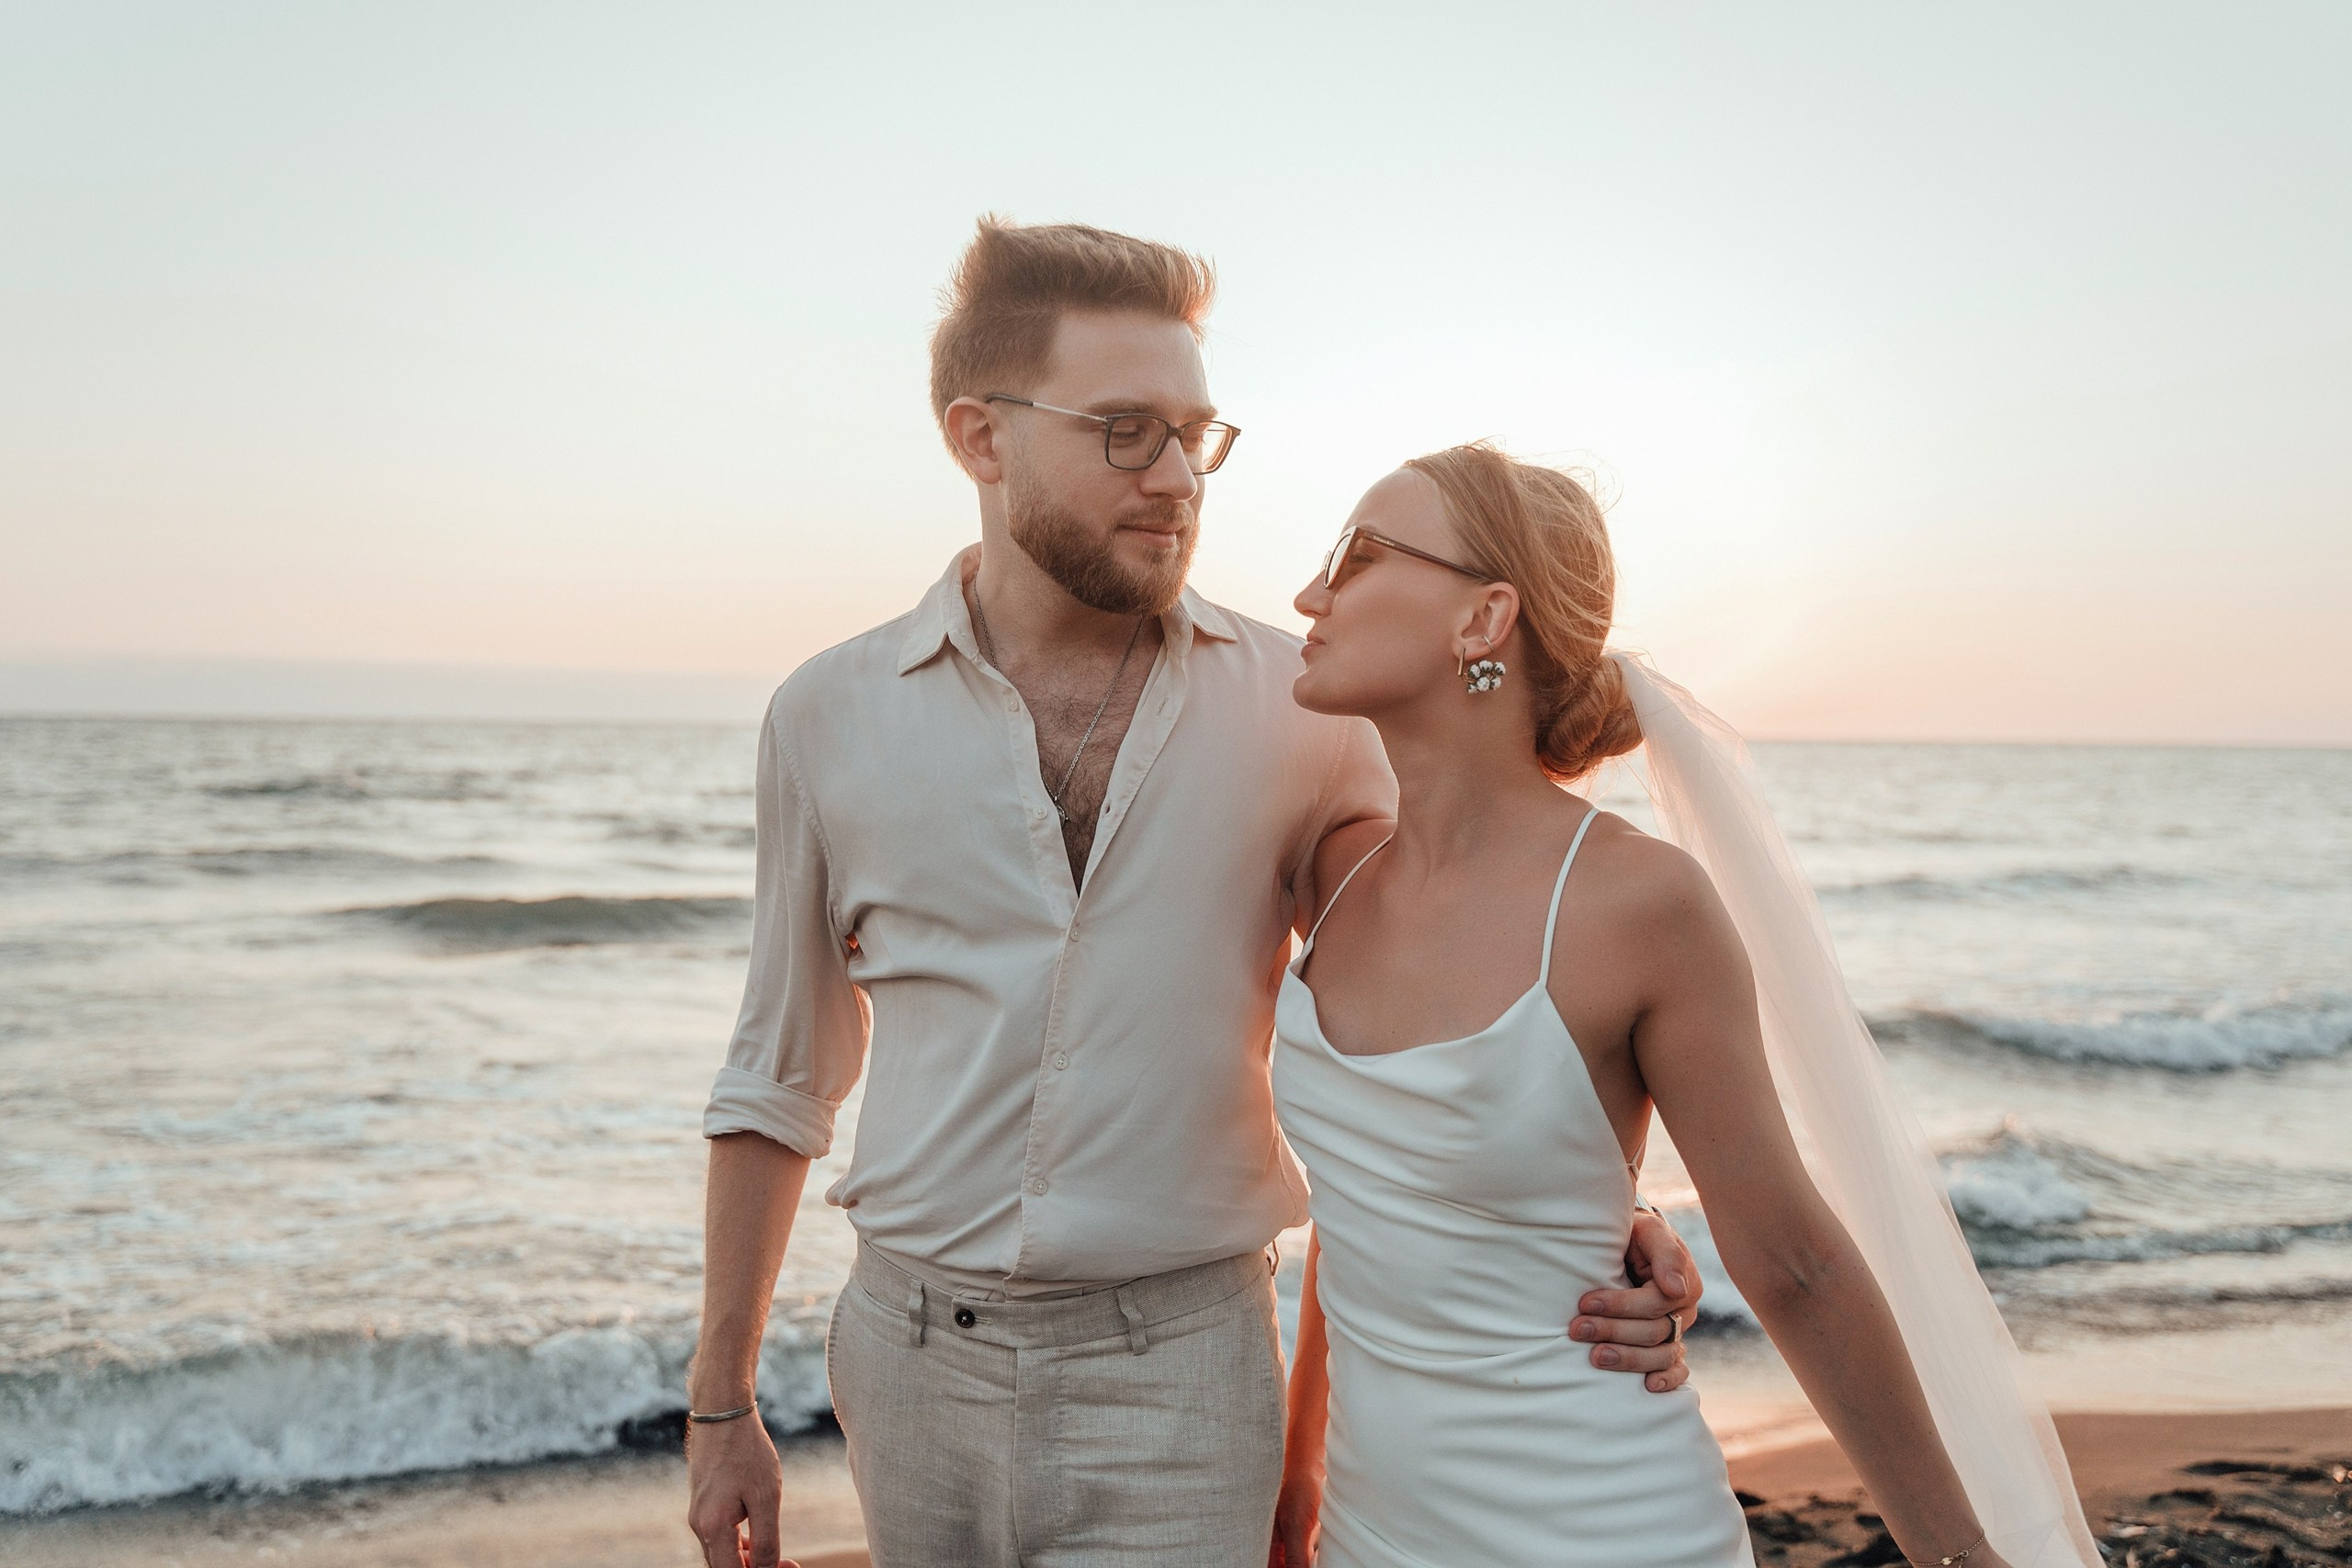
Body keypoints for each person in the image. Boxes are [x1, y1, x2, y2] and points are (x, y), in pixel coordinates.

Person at [684, 221, 1702, 1568]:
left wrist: (1592, 1206)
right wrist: (721, 1402)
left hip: (1181, 1374)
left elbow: (1455, 994)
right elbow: (779, 1071)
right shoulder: (827, 715)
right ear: (979, 438)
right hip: (909, 1362)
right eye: (1124, 431)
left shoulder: (1308, 708)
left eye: (1194, 434)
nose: (1177, 479)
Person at [1269, 445, 2100, 1567]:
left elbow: (1793, 1265)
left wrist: (1959, 1558)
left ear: (1483, 620)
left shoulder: (1638, 902)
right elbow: (1364, 1214)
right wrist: (1297, 1481)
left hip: (1608, 1529)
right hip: (1370, 1540)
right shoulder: (1337, 877)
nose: (1310, 594)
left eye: (1360, 556)